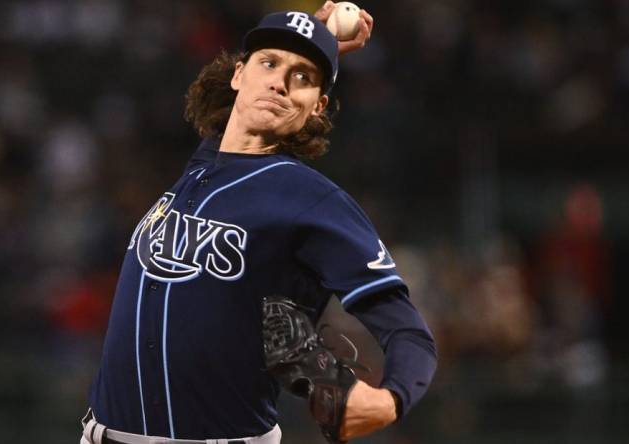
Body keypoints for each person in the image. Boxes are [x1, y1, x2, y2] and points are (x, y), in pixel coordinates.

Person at [81, 2, 437, 443]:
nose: (281, 83)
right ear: (237, 75)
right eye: (268, 63)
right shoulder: (203, 167)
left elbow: (408, 330)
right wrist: (319, 44)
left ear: (318, 107)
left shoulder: (312, 200)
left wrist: (392, 399)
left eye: (303, 78)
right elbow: (237, 122)